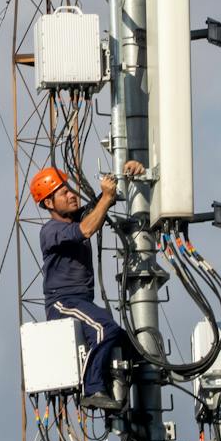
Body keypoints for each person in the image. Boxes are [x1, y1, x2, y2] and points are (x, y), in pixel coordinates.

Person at [30, 160, 144, 411]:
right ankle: (93, 389)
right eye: (64, 193)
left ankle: (131, 398)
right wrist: (105, 198)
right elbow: (87, 228)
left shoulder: (75, 218)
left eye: (69, 190)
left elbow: (103, 204)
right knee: (105, 328)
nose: (72, 195)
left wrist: (128, 172)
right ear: (49, 203)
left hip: (82, 301)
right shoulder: (51, 230)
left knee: (127, 345)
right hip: (64, 302)